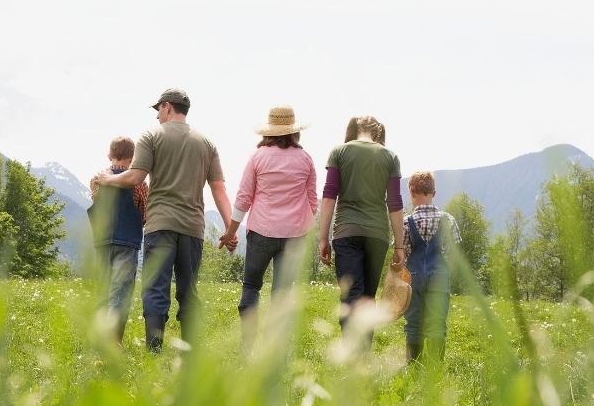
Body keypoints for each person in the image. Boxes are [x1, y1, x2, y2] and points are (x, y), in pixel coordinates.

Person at [94, 88, 236, 350]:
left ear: (168, 107)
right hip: (193, 227)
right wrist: (230, 228)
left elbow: (135, 177)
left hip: (160, 225)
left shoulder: (151, 136)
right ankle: (190, 352)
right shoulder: (207, 143)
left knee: (156, 288)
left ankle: (154, 350)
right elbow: (219, 189)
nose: (157, 115)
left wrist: (107, 179)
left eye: (158, 109)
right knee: (187, 290)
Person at [219, 106, 317, 352]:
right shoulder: (305, 159)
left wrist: (231, 232)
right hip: (294, 236)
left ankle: (248, 346)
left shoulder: (258, 157)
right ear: (294, 131)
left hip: (261, 232)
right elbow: (312, 202)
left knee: (251, 287)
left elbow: (243, 198)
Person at [318, 116, 405, 350]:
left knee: (351, 296)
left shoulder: (339, 152)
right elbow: (395, 202)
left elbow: (329, 195)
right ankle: (362, 357)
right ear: (377, 132)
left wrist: (322, 237)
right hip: (377, 235)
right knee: (367, 297)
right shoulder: (390, 156)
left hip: (345, 231)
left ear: (354, 129)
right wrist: (400, 245)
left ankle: (351, 354)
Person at [88, 136, 148, 343]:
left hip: (102, 241)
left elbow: (96, 203)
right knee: (120, 291)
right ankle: (113, 341)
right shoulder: (139, 184)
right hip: (127, 241)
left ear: (109, 155)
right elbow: (144, 214)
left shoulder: (96, 180)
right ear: (133, 159)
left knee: (102, 288)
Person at [402, 171, 461, 363]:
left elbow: (400, 254)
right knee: (437, 323)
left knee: (413, 324)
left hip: (413, 277)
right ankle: (435, 370)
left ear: (411, 193)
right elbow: (454, 253)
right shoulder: (448, 220)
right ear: (434, 193)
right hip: (439, 276)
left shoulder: (405, 222)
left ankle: (414, 367)